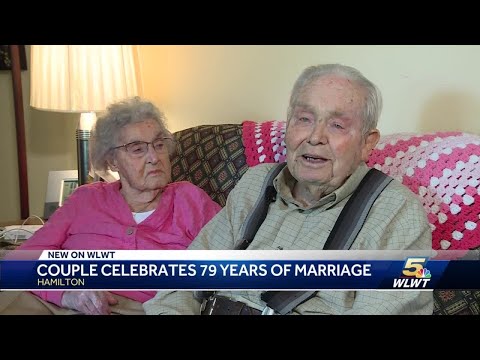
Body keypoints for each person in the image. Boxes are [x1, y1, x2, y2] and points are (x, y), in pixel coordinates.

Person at [143, 64, 433, 315]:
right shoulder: (256, 183)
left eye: (337, 125)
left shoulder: (398, 213)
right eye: (304, 119)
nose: (315, 137)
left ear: (368, 143)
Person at [0, 97, 221, 315]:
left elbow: (233, 260)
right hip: (57, 302)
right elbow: (19, 263)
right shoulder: (85, 199)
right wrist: (67, 292)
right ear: (112, 161)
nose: (154, 157)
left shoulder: (189, 199)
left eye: (159, 145)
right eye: (137, 149)